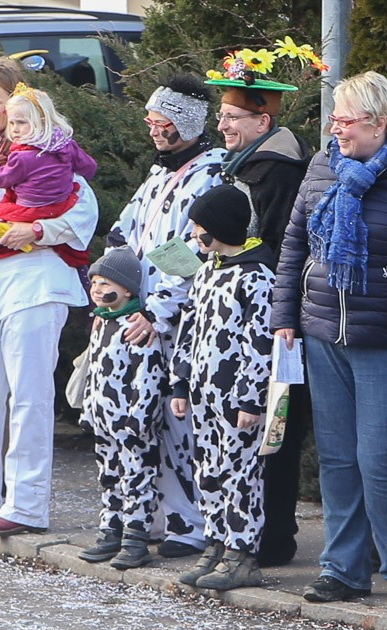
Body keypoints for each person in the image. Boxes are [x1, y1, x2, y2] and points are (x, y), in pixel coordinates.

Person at [271, 71, 387, 603]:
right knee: (337, 458)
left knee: (379, 458)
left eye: (346, 120)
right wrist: (286, 315)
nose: (336, 128)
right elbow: (293, 245)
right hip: (323, 329)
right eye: (334, 118)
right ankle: (343, 568)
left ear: (379, 124)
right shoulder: (323, 164)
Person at [0, 58, 96, 534]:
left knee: (28, 396)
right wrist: (3, 227)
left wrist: (38, 230)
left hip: (36, 283)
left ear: (20, 103)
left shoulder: (53, 150)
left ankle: (26, 505)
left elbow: (81, 215)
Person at [104, 74, 224, 558]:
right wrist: (114, 291)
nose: (154, 129)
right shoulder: (158, 174)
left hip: (177, 320)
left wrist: (157, 308)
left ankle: (189, 524)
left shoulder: (209, 173)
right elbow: (123, 232)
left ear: (188, 123)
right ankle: (153, 517)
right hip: (139, 317)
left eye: (163, 121)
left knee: (181, 424)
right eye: (151, 120)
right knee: (143, 422)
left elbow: (192, 249)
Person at [206, 47, 313, 569]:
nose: (221, 124)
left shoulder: (276, 171)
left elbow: (274, 246)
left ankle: (271, 536)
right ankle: (237, 531)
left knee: (274, 426)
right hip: (240, 311)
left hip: (267, 317)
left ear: (262, 120)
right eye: (222, 114)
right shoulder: (247, 163)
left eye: (231, 116)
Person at [170, 184, 274, 590]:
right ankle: (216, 542)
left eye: (200, 227)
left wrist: (251, 396)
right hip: (202, 393)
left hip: (236, 399)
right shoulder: (208, 272)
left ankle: (243, 552)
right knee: (209, 470)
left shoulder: (256, 276)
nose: (194, 234)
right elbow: (188, 328)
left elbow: (260, 341)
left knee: (241, 473)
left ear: (220, 228)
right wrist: (180, 384)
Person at [0, 83, 95, 327]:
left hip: (30, 212)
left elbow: (0, 179)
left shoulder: (24, 156)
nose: (15, 130)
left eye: (21, 123)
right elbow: (89, 168)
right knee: (76, 252)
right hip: (61, 204)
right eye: (13, 123)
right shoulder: (65, 145)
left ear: (40, 121)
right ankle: (90, 297)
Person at [78, 248, 163, 569]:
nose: (97, 289)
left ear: (127, 289)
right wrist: (88, 410)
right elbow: (94, 371)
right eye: (94, 283)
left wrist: (139, 416)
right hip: (104, 421)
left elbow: (149, 376)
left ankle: (135, 536)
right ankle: (110, 530)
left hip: (132, 423)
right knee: (109, 476)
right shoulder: (101, 322)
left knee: (137, 478)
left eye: (105, 283)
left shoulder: (137, 327)